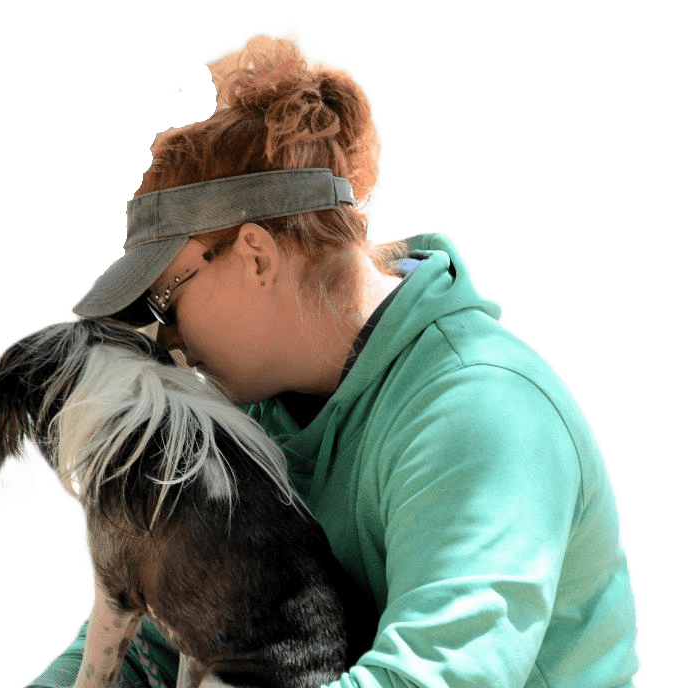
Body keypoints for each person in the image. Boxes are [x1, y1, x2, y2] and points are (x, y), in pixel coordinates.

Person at [32, 24, 639, 688]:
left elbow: (429, 679)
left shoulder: (482, 413)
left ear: (256, 257)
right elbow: (149, 642)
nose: (165, 340)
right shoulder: (249, 415)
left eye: (167, 299)